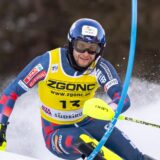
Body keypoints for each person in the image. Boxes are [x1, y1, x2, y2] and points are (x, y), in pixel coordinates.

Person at [0, 18, 156, 160]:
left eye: (92, 48)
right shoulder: (48, 63)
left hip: (90, 122)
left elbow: (122, 98)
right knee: (90, 148)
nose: (86, 54)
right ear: (71, 44)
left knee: (136, 158)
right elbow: (12, 92)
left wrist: (110, 109)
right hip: (56, 131)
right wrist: (1, 125)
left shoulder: (100, 67)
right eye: (81, 46)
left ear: (100, 50)